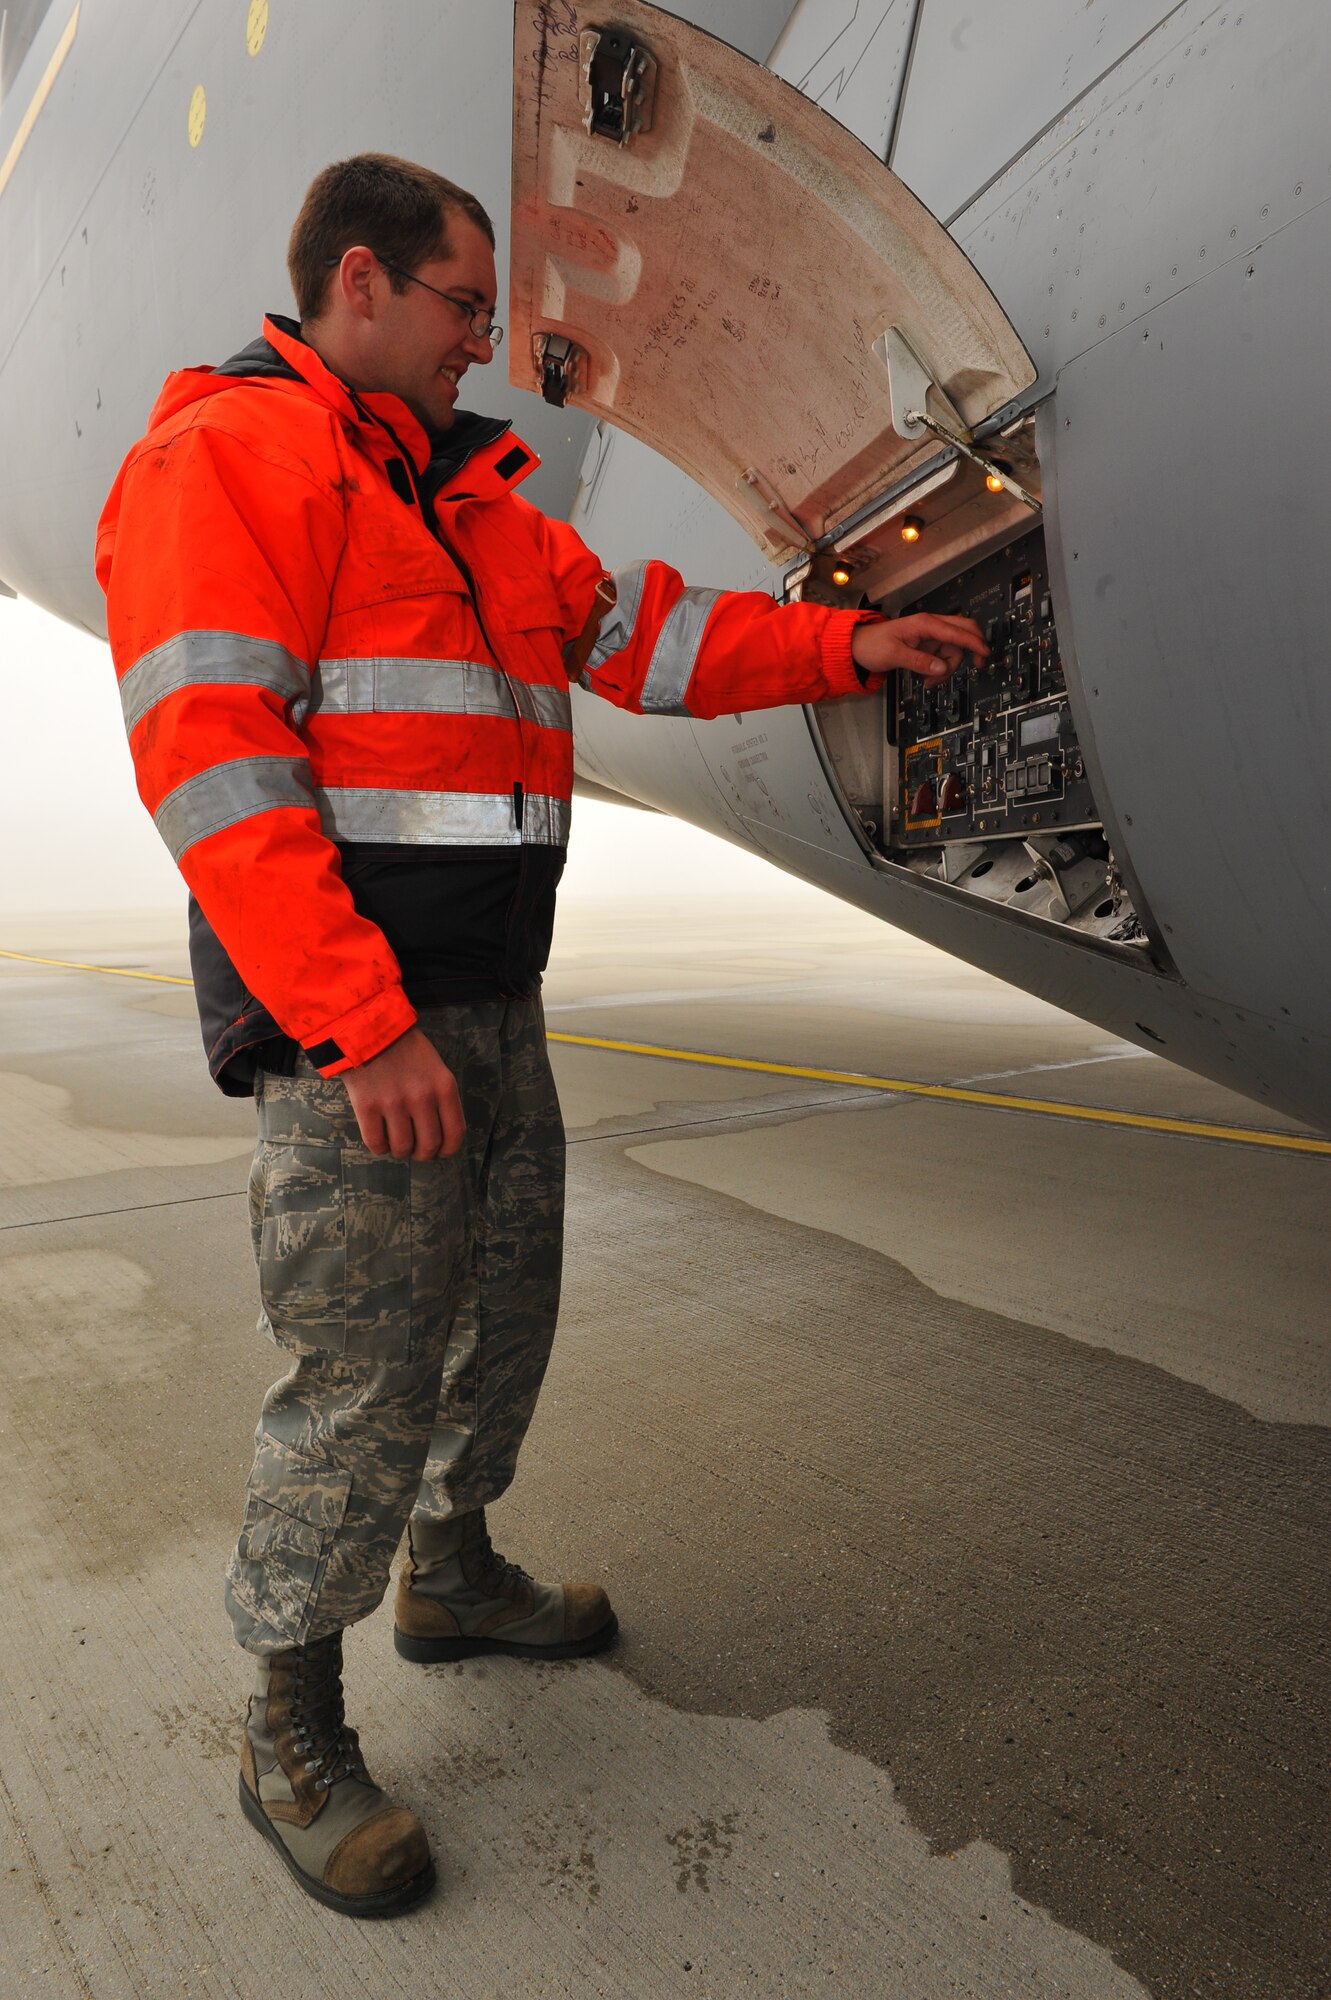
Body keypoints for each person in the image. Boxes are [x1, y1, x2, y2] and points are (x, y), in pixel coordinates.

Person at [95, 154, 986, 1918]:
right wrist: (360, 1032)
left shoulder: (475, 501)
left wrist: (845, 642)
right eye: (462, 308)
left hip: (492, 1011)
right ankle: (287, 1727)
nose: (481, 345)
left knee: (505, 1324)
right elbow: (215, 772)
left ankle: (453, 1573)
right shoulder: (230, 462)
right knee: (358, 1382)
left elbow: (645, 633)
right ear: (360, 284)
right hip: (366, 1036)